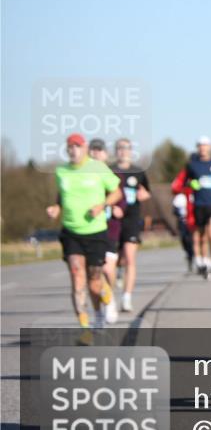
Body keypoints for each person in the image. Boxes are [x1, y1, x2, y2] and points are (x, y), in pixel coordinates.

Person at [46, 134, 124, 333]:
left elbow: (117, 192)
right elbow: (61, 195)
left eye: (77, 146)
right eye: (70, 147)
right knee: (77, 277)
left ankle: (102, 308)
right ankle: (84, 327)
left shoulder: (98, 168)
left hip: (96, 232)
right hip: (71, 231)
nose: (73, 150)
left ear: (85, 147)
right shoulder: (62, 171)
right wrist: (56, 207)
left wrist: (103, 205)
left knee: (94, 282)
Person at [178, 137, 211, 279]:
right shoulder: (192, 164)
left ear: (209, 147)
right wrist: (191, 184)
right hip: (199, 204)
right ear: (197, 147)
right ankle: (205, 263)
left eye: (205, 145)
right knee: (203, 237)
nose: (203, 148)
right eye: (200, 146)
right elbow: (184, 182)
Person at [112, 138, 151, 312]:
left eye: (126, 148)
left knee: (130, 257)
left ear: (130, 151)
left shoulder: (138, 171)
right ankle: (117, 275)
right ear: (116, 151)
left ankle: (126, 298)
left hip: (132, 219)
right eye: (120, 148)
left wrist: (144, 195)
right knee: (115, 260)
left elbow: (146, 192)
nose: (123, 151)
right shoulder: (109, 170)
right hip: (113, 220)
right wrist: (112, 206)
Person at [87, 138, 119, 324]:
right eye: (93, 151)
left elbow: (122, 196)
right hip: (89, 230)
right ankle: (100, 309)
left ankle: (110, 298)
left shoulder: (111, 173)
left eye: (99, 151)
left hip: (110, 229)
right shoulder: (82, 175)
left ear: (105, 154)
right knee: (93, 275)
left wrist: (117, 207)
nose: (96, 154)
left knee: (106, 270)